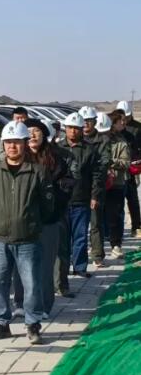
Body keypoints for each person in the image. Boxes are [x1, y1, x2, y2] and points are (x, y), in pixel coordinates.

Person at [0, 121, 55, 345]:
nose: (12, 146)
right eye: (8, 142)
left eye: (17, 142)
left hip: (28, 240)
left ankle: (32, 323)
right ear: (3, 144)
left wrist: (30, 222)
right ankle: (1, 322)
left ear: (25, 144)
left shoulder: (38, 172)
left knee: (31, 283)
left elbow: (47, 205)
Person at [13, 119, 72, 319]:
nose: (32, 135)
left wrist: (53, 204)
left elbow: (66, 185)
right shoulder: (17, 157)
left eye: (37, 131)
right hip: (22, 220)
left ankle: (44, 305)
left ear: (44, 134)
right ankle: (20, 303)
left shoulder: (55, 158)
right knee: (21, 263)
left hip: (48, 220)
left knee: (46, 264)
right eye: (28, 131)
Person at [60, 112, 103, 284]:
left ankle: (80, 267)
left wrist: (94, 196)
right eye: (70, 128)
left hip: (81, 199)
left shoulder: (89, 150)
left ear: (81, 129)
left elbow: (97, 175)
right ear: (65, 128)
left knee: (80, 236)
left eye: (76, 128)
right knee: (63, 239)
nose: (73, 131)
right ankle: (62, 269)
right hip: (61, 201)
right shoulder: (58, 148)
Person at [80, 106, 111, 267]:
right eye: (83, 121)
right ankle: (77, 257)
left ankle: (97, 255)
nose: (86, 124)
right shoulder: (74, 139)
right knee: (77, 226)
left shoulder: (103, 140)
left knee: (95, 223)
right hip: (78, 188)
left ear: (94, 122)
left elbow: (104, 162)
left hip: (96, 186)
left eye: (89, 121)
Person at [98, 112, 131, 260]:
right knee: (97, 218)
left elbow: (126, 163)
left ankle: (116, 245)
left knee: (114, 216)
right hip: (97, 185)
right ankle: (97, 248)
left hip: (115, 184)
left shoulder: (120, 143)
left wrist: (111, 162)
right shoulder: (93, 142)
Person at [116, 100, 141, 237]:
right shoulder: (114, 129)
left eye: (127, 116)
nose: (124, 119)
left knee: (132, 199)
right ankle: (116, 230)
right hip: (117, 170)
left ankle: (136, 226)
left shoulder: (137, 128)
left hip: (131, 169)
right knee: (117, 202)